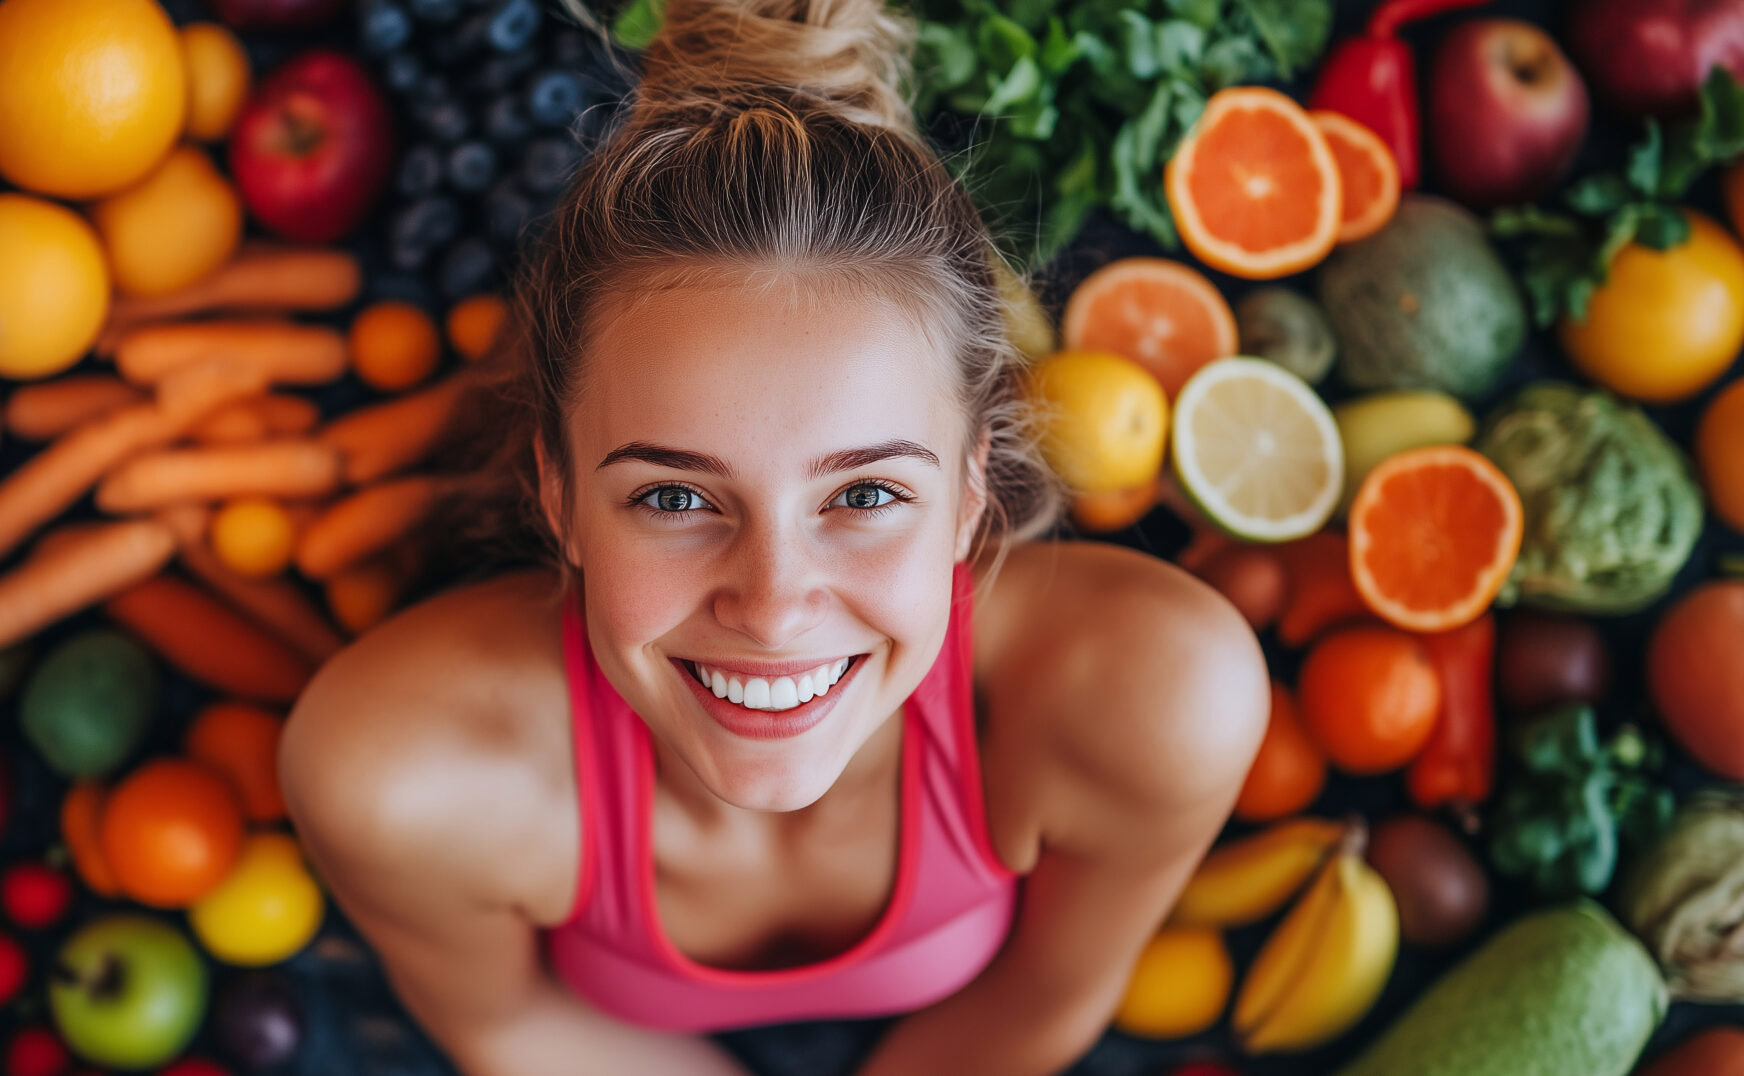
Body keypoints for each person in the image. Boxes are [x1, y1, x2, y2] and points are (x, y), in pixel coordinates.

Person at [278, 1, 1269, 1073]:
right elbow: (511, 1025)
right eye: (672, 498)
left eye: (866, 494)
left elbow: (1040, 1002)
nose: (774, 599)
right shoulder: (397, 774)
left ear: (973, 489)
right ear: (557, 493)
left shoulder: (1158, 696)